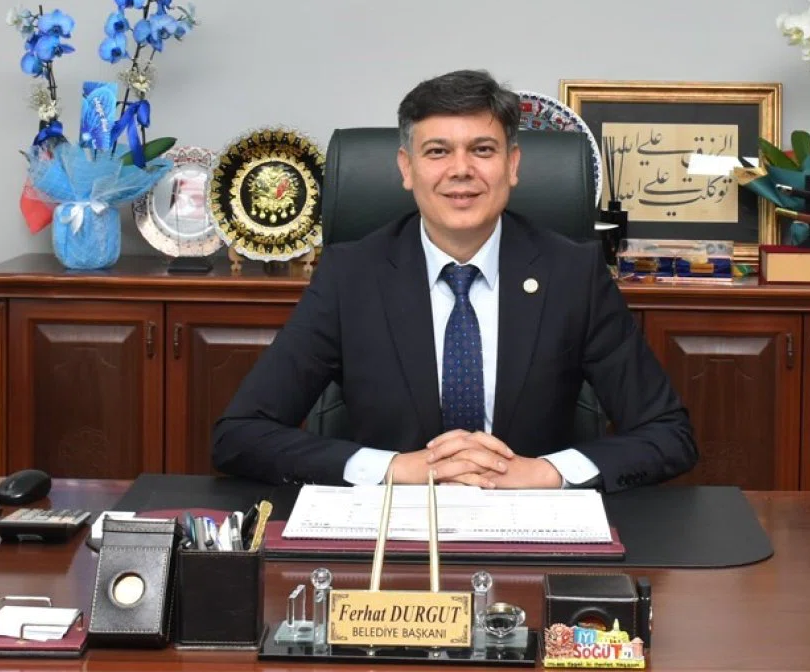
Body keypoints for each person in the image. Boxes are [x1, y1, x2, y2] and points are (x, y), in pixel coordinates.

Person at [212, 69, 697, 491]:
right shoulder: (351, 276)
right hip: (392, 526)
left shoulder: (572, 274)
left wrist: (545, 473)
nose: (461, 170)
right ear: (407, 169)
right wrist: (393, 468)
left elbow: (668, 433)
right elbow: (240, 434)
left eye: (482, 150)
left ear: (512, 165)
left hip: (528, 523)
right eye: (437, 151)